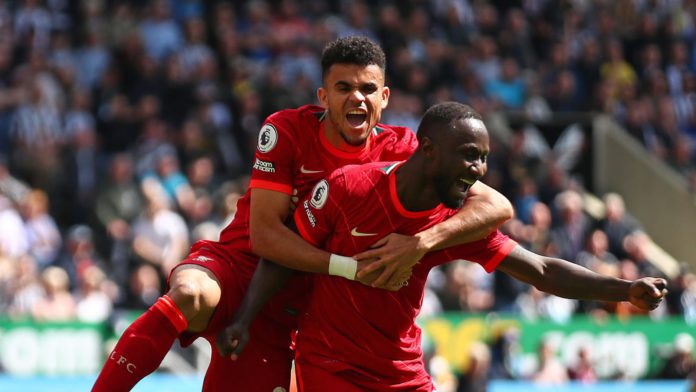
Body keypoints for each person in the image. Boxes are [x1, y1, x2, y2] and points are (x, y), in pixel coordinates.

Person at [92, 36, 512, 391]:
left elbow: (497, 205)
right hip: (242, 265)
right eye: (343, 87)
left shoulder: (404, 150)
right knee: (190, 293)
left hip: (296, 298)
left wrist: (421, 242)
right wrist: (349, 268)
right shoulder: (286, 130)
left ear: (385, 97)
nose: (357, 98)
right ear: (322, 96)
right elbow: (266, 238)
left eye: (367, 88)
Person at [218, 102, 667, 390]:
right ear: (428, 149)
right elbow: (285, 253)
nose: (479, 168)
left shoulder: (454, 222)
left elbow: (542, 271)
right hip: (332, 369)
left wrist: (622, 290)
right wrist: (245, 318)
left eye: (485, 157)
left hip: (403, 374)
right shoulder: (349, 188)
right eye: (470, 154)